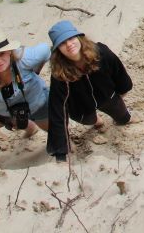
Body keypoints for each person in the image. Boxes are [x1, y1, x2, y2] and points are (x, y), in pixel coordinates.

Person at [45, 20, 134, 162]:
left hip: (106, 96)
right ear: (57, 49)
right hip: (81, 106)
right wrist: (60, 152)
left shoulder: (101, 52)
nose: (69, 44)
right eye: (62, 43)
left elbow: (118, 70)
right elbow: (57, 108)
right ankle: (98, 121)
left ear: (79, 37)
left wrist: (123, 90)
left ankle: (122, 116)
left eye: (71, 38)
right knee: (90, 120)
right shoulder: (59, 74)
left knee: (123, 118)